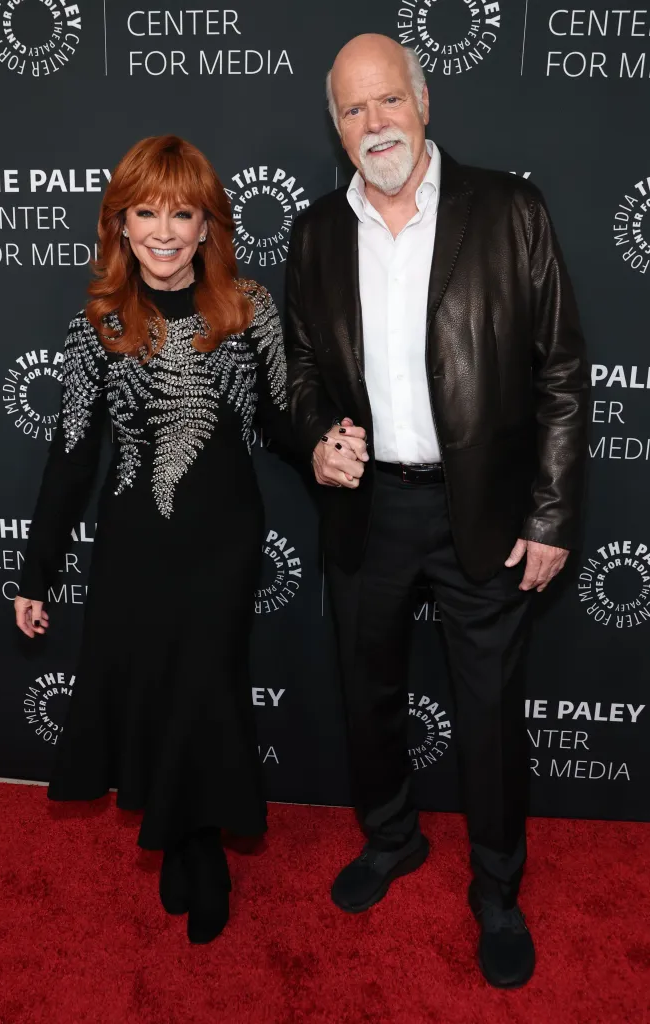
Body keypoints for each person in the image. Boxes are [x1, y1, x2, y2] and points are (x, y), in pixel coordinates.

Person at [285, 35, 588, 988]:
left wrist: (548, 516)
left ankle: (496, 890)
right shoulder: (314, 234)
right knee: (365, 694)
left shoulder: (508, 209)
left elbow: (562, 374)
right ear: (334, 129)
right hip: (367, 509)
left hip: (486, 512)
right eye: (351, 111)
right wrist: (313, 439)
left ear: (423, 101)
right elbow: (293, 369)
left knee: (489, 712)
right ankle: (390, 841)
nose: (373, 125)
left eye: (386, 102)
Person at [14, 135, 289, 945]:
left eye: (182, 212)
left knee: (205, 689)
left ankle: (199, 843)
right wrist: (36, 575)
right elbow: (70, 458)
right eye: (146, 212)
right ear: (120, 226)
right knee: (155, 695)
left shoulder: (250, 308)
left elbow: (280, 419)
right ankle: (176, 833)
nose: (164, 231)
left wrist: (331, 442)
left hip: (225, 545)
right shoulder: (100, 321)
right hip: (134, 544)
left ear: (208, 226)